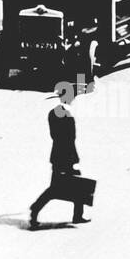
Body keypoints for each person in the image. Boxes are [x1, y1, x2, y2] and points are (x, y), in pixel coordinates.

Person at [29, 86, 88, 229]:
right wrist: (73, 157)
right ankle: (35, 209)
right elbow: (67, 138)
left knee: (76, 184)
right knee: (56, 188)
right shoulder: (62, 113)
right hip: (64, 156)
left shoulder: (57, 112)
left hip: (60, 154)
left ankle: (78, 215)